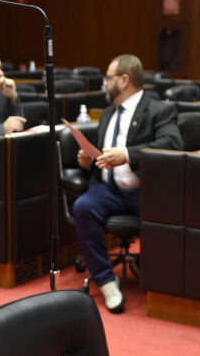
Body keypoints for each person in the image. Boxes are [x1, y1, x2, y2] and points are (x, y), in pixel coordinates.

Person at [72, 54, 182, 313]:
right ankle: (106, 280)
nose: (104, 84)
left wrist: (128, 154)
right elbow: (105, 152)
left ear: (124, 80)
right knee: (82, 207)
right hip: (107, 188)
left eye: (108, 78)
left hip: (144, 191)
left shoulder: (159, 109)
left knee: (168, 216)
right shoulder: (108, 112)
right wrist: (88, 158)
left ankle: (161, 277)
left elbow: (172, 144)